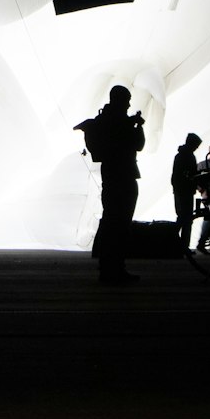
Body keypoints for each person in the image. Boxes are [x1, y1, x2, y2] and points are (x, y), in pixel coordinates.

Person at [91, 85, 146, 285]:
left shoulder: (104, 119)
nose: (129, 104)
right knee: (120, 223)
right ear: (121, 100)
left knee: (111, 220)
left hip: (111, 175)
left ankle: (108, 267)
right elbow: (138, 144)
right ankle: (115, 268)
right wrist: (138, 126)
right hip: (124, 174)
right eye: (127, 99)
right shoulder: (121, 122)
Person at [171, 132, 202, 253]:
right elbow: (188, 174)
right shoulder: (187, 157)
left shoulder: (181, 156)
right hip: (185, 191)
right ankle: (183, 245)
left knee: (183, 218)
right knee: (186, 218)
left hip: (181, 190)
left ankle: (177, 243)